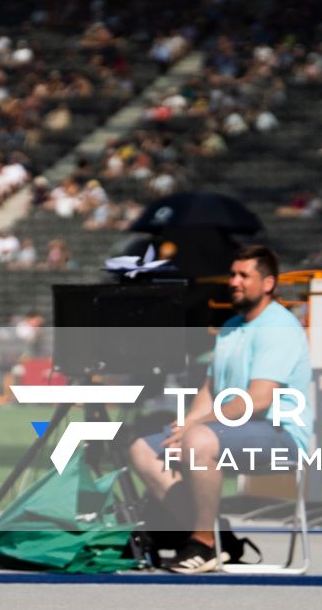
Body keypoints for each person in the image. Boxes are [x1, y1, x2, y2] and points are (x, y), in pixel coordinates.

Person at [129, 245, 312, 575]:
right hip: (228, 430)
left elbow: (257, 400)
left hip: (281, 436)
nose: (234, 281)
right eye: (233, 274)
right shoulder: (229, 327)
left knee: (198, 440)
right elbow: (211, 391)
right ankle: (217, 538)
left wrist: (195, 429)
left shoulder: (278, 327)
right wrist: (184, 424)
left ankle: (203, 542)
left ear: (268, 283)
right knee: (144, 449)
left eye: (244, 275)